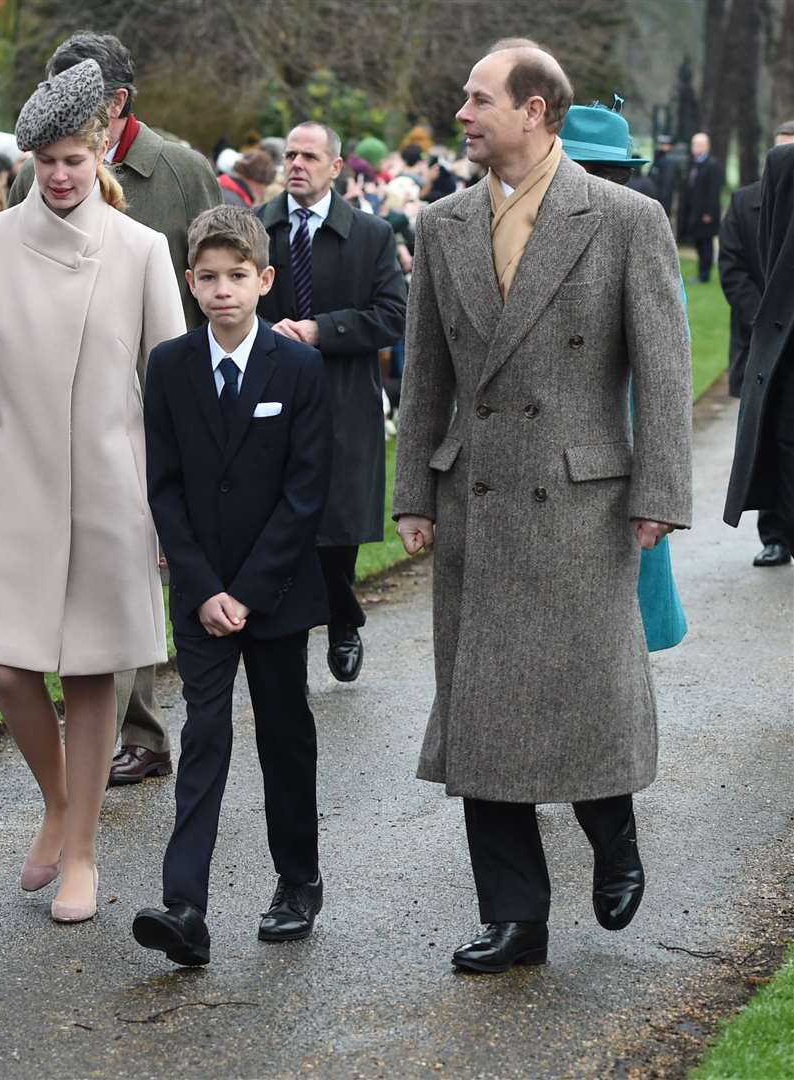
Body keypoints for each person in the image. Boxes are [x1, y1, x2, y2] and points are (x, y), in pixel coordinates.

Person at [394, 39, 692, 974]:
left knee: (581, 695)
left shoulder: (623, 219)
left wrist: (660, 492)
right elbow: (425, 372)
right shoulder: (442, 225)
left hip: (578, 503)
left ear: (535, 110)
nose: (462, 114)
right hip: (474, 497)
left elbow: (666, 370)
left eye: (479, 99)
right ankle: (515, 918)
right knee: (482, 713)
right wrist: (411, 491)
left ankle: (613, 836)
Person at [0, 59, 185, 923]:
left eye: (75, 157)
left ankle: (80, 852)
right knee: (6, 666)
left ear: (100, 146)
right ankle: (58, 805)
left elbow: (171, 391)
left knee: (94, 673)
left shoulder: (142, 249)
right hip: (17, 483)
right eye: (47, 160)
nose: (62, 174)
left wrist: (169, 510)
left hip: (118, 491)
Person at [9, 30, 222, 788]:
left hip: (163, 390)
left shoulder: (182, 172)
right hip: (64, 406)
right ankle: (126, 727)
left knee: (154, 559)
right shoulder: (32, 176)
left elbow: (219, 269)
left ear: (115, 104)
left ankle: (162, 719)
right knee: (86, 571)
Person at [131, 206, 331, 966]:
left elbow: (304, 493)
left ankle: (296, 882)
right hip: (199, 591)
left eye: (236, 277)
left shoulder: (298, 368)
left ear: (264, 281)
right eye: (208, 278)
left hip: (274, 592)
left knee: (284, 736)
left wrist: (246, 591)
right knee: (203, 735)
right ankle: (184, 904)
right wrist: (203, 584)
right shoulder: (171, 366)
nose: (222, 291)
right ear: (190, 282)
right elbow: (166, 486)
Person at [254, 121, 408, 685]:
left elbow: (394, 316)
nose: (296, 163)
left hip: (342, 398)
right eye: (290, 154)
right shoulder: (255, 227)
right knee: (276, 521)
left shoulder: (368, 234)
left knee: (335, 530)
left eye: (309, 156)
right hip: (271, 395)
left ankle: (343, 621)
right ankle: (284, 633)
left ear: (335, 167)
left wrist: (323, 331)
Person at [558, 102, 688, 654]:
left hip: (618, 451)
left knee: (620, 631)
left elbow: (666, 372)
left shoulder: (638, 228)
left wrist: (658, 491)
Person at [719, 122, 794, 567]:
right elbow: (732, 266)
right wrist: (765, 318)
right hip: (763, 335)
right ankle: (775, 534)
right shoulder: (746, 201)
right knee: (770, 433)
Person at [680, 131, 725, 283]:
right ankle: (701, 274)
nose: (695, 147)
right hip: (695, 213)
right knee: (699, 244)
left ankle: (704, 276)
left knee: (706, 245)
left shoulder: (714, 165)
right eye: (694, 144)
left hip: (707, 215)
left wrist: (709, 213)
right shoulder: (693, 164)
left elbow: (714, 192)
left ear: (707, 146)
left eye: (699, 144)